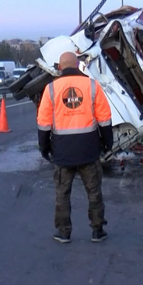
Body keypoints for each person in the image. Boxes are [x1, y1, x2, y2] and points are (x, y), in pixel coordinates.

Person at [37, 52, 113, 244]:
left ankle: (64, 232)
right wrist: (107, 143)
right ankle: (97, 230)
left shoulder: (51, 89)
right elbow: (104, 118)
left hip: (63, 151)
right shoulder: (92, 86)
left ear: (60, 67)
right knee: (94, 191)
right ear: (78, 65)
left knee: (62, 193)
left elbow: (44, 122)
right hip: (88, 149)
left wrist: (44, 147)